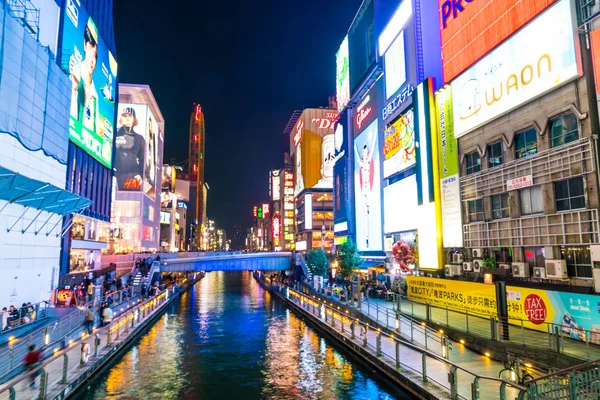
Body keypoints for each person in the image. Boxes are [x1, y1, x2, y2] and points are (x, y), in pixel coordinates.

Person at [69, 18, 99, 134]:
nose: (93, 60)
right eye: (91, 53)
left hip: (89, 147)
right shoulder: (74, 75)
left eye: (95, 56)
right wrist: (75, 89)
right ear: (85, 46)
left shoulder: (95, 94)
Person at [115, 107, 145, 190]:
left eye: (130, 116)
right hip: (116, 174)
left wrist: (141, 176)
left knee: (132, 199)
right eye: (125, 116)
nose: (127, 118)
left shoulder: (139, 138)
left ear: (134, 118)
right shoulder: (114, 133)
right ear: (121, 118)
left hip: (133, 176)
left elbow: (143, 160)